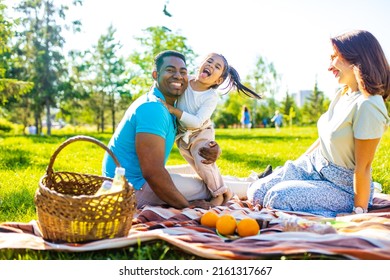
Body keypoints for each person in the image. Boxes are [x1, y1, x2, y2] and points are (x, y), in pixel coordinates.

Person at [247, 30, 390, 217]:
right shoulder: (342, 93)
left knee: (276, 198)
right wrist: (294, 165)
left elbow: (363, 167)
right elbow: (323, 139)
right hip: (314, 165)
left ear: (356, 58)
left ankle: (334, 210)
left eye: (334, 58)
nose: (330, 67)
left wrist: (358, 211)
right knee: (256, 192)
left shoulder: (368, 105)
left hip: (342, 186)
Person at [102, 50, 221, 210]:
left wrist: (213, 146)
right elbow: (153, 173)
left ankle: (251, 180)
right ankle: (252, 187)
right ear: (155, 75)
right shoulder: (154, 108)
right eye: (170, 70)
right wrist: (187, 207)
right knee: (207, 186)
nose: (178, 76)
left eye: (183, 72)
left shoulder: (169, 106)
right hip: (131, 187)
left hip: (130, 178)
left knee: (199, 171)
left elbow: (198, 124)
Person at [159, 53, 262, 206]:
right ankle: (226, 189)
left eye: (216, 67)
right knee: (201, 171)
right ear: (201, 64)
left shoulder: (210, 96)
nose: (210, 66)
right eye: (209, 61)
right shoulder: (187, 81)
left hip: (201, 132)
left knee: (203, 159)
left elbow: (197, 122)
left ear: (218, 80)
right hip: (184, 136)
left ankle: (219, 195)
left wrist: (172, 110)